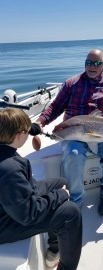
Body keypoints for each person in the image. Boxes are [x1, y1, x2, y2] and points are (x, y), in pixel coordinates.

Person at [36, 48, 103, 216]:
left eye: (96, 63)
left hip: (102, 134)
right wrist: (40, 122)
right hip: (74, 134)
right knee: (73, 154)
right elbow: (55, 107)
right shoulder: (72, 83)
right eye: (88, 63)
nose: (91, 67)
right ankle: (76, 199)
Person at [0, 108, 82, 270]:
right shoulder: (10, 169)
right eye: (26, 131)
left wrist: (34, 127)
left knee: (61, 181)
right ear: (20, 135)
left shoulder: (5, 151)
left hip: (11, 204)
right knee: (71, 212)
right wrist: (60, 196)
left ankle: (53, 251)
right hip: (6, 224)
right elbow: (28, 214)